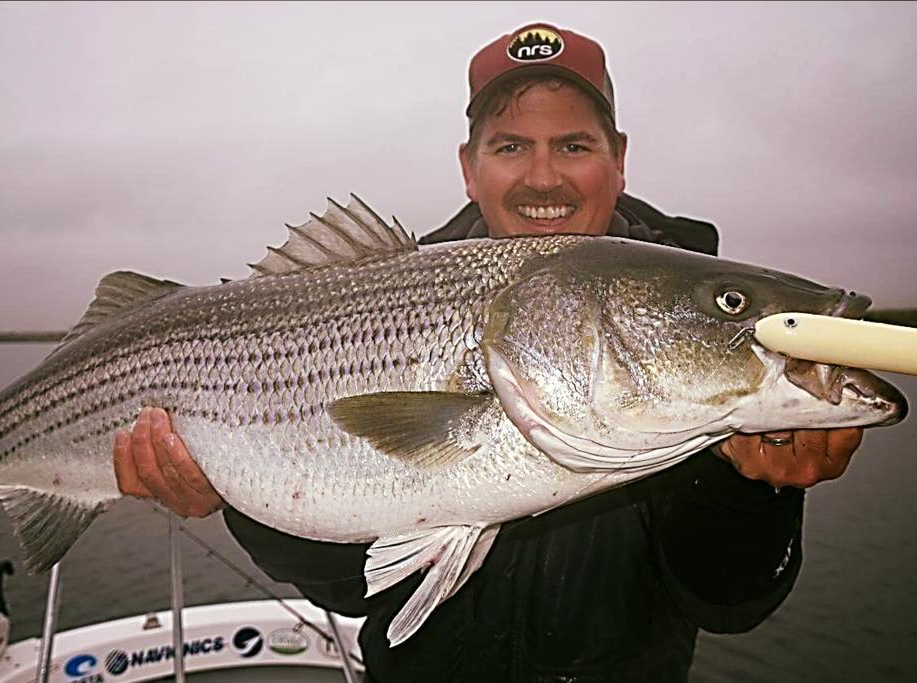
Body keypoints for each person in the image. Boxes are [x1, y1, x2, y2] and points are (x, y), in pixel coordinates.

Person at [113, 23, 864, 682]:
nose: (543, 176)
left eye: (574, 144)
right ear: (469, 166)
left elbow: (725, 601)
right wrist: (232, 488)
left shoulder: (681, 357)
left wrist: (752, 490)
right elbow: (352, 587)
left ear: (618, 160)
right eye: (511, 146)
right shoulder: (383, 292)